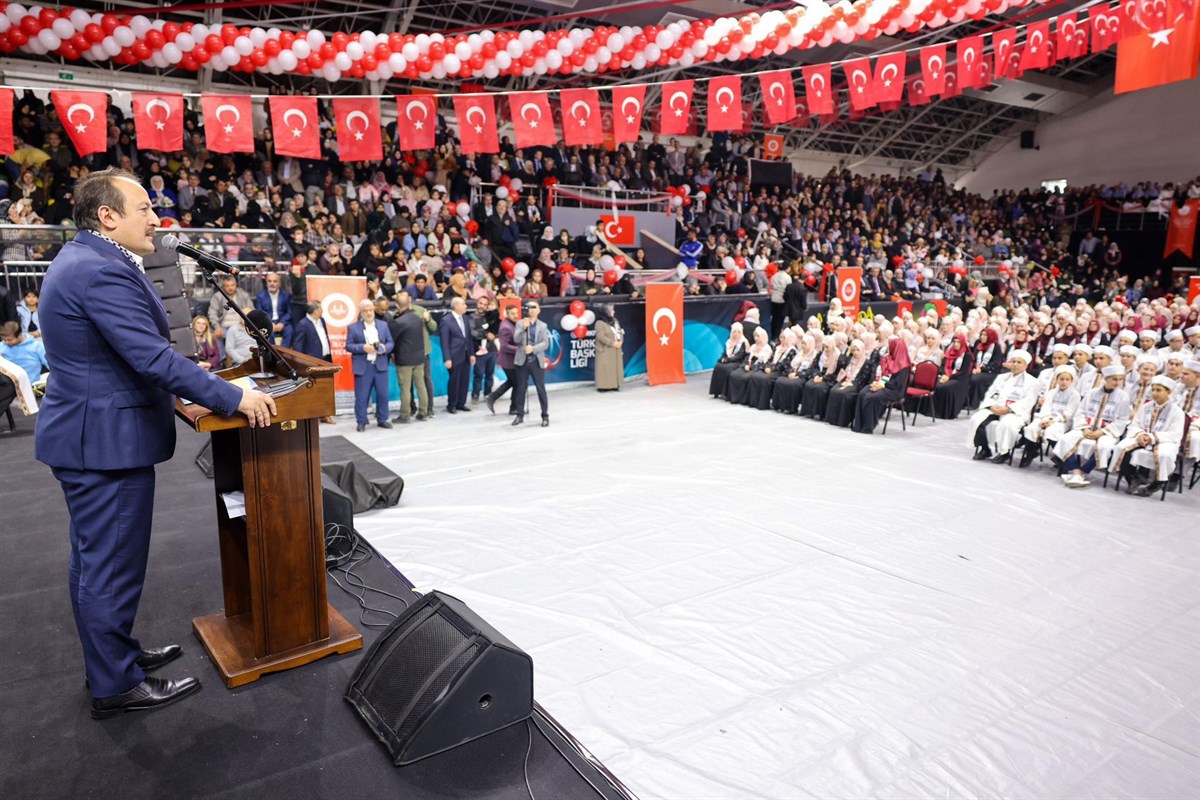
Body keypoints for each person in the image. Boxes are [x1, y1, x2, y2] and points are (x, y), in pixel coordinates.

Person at [34, 168, 276, 719]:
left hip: (93, 435)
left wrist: (180, 396)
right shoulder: (99, 269)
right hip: (104, 445)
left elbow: (113, 357)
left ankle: (112, 656)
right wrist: (229, 398)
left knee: (95, 562)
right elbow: (148, 356)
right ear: (107, 216)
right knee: (109, 566)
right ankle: (114, 685)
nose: (155, 217)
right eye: (143, 207)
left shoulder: (90, 259)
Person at [1055, 365, 1132, 488]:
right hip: (1086, 428)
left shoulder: (1123, 397)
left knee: (1104, 446)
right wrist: (1085, 428)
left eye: (1120, 379)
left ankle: (1082, 471)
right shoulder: (1092, 393)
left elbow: (1122, 420)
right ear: (1106, 379)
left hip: (1107, 432)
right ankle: (1075, 471)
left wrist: (1102, 432)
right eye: (1114, 379)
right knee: (1066, 439)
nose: (1117, 382)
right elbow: (1080, 412)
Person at [1111, 376, 1185, 496]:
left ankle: (1157, 484)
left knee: (1164, 455)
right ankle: (1132, 478)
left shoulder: (1177, 411)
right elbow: (1135, 424)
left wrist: (1152, 437)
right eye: (1153, 389)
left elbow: (1174, 434)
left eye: (1159, 390)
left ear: (1169, 392)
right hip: (1142, 437)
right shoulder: (1146, 407)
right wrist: (1140, 434)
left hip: (1164, 441)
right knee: (1121, 448)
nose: (1154, 393)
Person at [966, 349, 1037, 460]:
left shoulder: (1032, 382)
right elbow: (990, 393)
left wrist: (1008, 409)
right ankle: (985, 449)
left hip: (1014, 412)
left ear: (1026, 365)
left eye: (1019, 362)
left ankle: (1004, 452)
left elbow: (1029, 401)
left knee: (1007, 425)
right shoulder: (1001, 377)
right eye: (1013, 361)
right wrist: (991, 406)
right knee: (977, 419)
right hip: (995, 408)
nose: (1015, 365)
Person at [1017, 366, 1080, 468]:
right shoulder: (1051, 392)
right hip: (1047, 419)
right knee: (1031, 428)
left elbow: (1069, 412)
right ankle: (1030, 453)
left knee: (1052, 431)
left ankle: (1060, 457)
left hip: (1063, 422)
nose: (1064, 382)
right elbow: (1046, 408)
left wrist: (1053, 421)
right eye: (1061, 379)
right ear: (1057, 379)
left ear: (1071, 381)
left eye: (1067, 379)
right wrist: (1046, 419)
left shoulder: (1075, 395)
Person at [345, 298, 394, 431]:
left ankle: (382, 419)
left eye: (371, 310)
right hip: (364, 366)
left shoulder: (383, 325)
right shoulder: (353, 328)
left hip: (380, 365)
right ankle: (361, 421)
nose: (369, 313)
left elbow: (391, 342)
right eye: (365, 311)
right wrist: (363, 347)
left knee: (383, 394)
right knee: (362, 396)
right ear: (361, 312)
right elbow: (348, 346)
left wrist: (384, 348)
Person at [852, 336, 913, 434]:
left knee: (873, 397)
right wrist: (876, 382)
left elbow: (897, 383)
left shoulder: (904, 365)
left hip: (894, 390)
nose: (888, 347)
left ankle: (868, 427)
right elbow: (879, 373)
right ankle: (859, 424)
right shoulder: (887, 358)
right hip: (881, 384)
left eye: (890, 345)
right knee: (863, 393)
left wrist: (882, 385)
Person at [388, 292, 431, 423]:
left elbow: (392, 341)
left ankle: (405, 414)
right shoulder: (418, 318)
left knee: (405, 389)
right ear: (409, 303)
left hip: (404, 359)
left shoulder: (398, 322)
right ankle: (423, 411)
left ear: (397, 306)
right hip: (419, 357)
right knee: (421, 385)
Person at [511, 299, 550, 427]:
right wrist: (524, 328)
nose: (531, 309)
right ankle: (519, 415)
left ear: (538, 310)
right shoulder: (520, 323)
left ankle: (545, 416)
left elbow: (545, 343)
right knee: (521, 388)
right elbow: (516, 339)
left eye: (534, 307)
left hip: (536, 360)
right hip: (522, 360)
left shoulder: (543, 325)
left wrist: (533, 349)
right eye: (529, 307)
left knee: (541, 389)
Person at [440, 296, 476, 414]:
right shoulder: (446, 320)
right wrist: (447, 358)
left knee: (465, 380)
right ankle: (452, 404)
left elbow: (468, 338)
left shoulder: (465, 318)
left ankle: (461, 403)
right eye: (463, 304)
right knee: (454, 380)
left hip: (465, 354)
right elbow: (444, 341)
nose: (466, 306)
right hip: (454, 355)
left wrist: (471, 353)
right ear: (456, 306)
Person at [486, 302, 521, 415]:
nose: (515, 315)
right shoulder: (505, 327)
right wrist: (520, 349)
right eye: (512, 314)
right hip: (508, 361)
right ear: (506, 314)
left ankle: (492, 398)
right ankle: (513, 408)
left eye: (516, 313)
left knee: (513, 382)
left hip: (511, 360)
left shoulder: (512, 324)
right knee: (517, 382)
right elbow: (504, 346)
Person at [931, 330, 974, 419]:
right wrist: (943, 374)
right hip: (947, 376)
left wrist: (949, 377)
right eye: (954, 342)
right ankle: (933, 411)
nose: (955, 344)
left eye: (958, 342)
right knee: (935, 384)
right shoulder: (949, 352)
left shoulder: (967, 355)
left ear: (962, 343)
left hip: (960, 379)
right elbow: (943, 366)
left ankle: (944, 413)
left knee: (945, 387)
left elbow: (963, 372)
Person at [470, 295, 499, 403]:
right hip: (478, 351)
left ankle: (488, 393)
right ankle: (475, 394)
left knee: (490, 374)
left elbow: (497, 329)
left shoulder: (491, 317)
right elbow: (472, 333)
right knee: (478, 374)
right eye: (480, 303)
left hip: (491, 349)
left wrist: (494, 335)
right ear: (477, 303)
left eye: (485, 304)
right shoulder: (471, 317)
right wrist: (486, 334)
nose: (482, 306)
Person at [708, 322, 748, 399]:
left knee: (727, 369)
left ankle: (725, 393)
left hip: (738, 362)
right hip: (729, 360)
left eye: (738, 332)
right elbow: (724, 353)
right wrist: (723, 358)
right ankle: (716, 391)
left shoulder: (743, 342)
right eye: (734, 331)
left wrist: (727, 360)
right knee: (718, 367)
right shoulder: (729, 341)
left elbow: (740, 356)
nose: (736, 334)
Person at [254, 272, 293, 346]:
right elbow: (260, 314)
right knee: (267, 332)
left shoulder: (286, 295)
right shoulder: (260, 296)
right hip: (268, 321)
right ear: (266, 283)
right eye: (269, 281)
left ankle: (283, 353)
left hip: (282, 320)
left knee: (289, 331)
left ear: (279, 283)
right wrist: (270, 323)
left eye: (275, 281)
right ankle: (273, 354)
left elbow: (289, 312)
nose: (272, 283)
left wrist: (282, 323)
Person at [594, 304, 625, 392]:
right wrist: (612, 343)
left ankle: (614, 384)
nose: (614, 312)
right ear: (606, 312)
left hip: (616, 348)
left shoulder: (615, 321)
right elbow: (600, 336)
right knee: (605, 367)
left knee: (615, 367)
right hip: (606, 349)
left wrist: (620, 341)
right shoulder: (599, 323)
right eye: (612, 310)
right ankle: (603, 386)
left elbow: (620, 331)